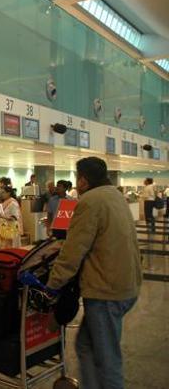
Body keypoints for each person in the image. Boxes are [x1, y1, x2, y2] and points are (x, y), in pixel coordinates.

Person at [47, 157, 141, 389]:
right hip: (126, 285)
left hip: (105, 291)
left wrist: (52, 283)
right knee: (86, 346)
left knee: (107, 359)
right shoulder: (115, 195)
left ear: (83, 180)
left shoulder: (90, 201)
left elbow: (73, 249)